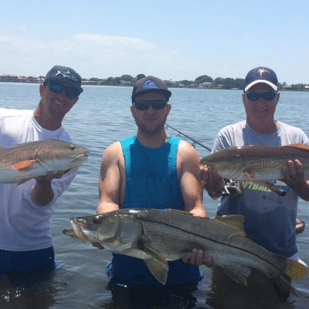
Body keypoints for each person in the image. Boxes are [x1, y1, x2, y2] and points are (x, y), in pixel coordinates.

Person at [200, 66, 309, 304]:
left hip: (281, 250)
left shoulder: (297, 137)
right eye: (253, 96)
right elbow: (217, 192)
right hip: (231, 250)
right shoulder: (228, 136)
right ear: (243, 99)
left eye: (268, 95)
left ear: (278, 98)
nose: (261, 102)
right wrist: (211, 181)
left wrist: (299, 183)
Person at [96, 76, 207, 306]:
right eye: (142, 105)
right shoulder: (114, 153)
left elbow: (195, 207)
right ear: (132, 110)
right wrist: (101, 229)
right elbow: (108, 202)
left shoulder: (186, 153)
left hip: (182, 276)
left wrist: (199, 244)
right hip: (126, 275)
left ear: (167, 109)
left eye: (157, 104)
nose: (150, 110)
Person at [0, 65, 84, 274]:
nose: (62, 96)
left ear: (75, 101)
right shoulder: (4, 121)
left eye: (70, 92)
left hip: (32, 246)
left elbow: (40, 202)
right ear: (42, 89)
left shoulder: (71, 156)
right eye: (56, 87)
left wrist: (43, 181)